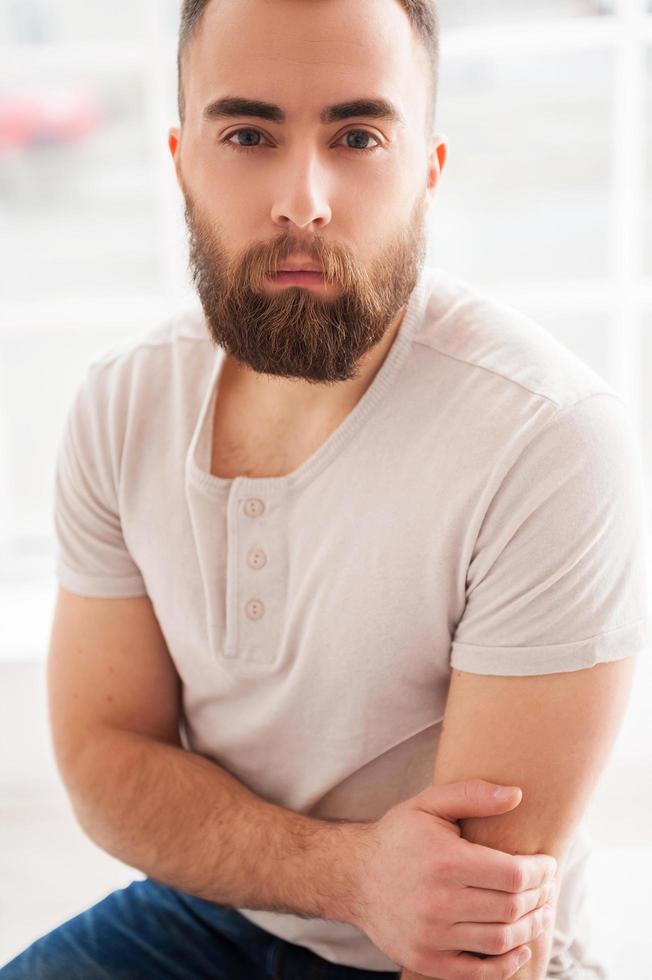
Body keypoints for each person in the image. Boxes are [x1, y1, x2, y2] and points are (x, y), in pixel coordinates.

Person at [2, 0, 648, 977]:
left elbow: (466, 926)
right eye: (249, 133)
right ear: (180, 157)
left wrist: (366, 891)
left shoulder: (547, 439)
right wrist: (344, 873)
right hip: (219, 905)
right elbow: (103, 757)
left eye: (356, 134)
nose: (302, 199)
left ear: (427, 169)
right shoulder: (120, 401)